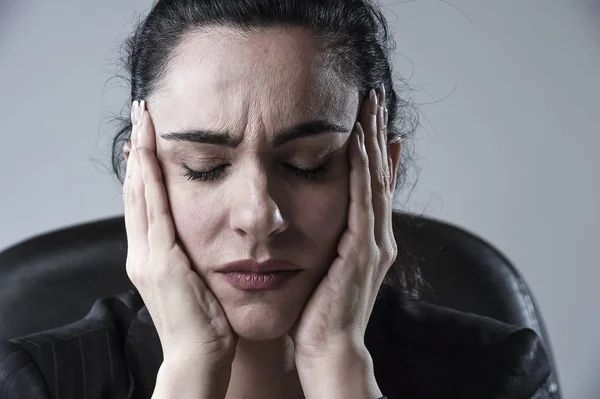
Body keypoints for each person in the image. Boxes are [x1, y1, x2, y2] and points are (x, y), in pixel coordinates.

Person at [0, 0, 552, 398]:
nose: (259, 216)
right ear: (140, 180)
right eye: (204, 168)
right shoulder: (37, 382)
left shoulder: (493, 375)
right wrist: (190, 372)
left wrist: (339, 367)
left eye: (307, 165)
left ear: (382, 172)